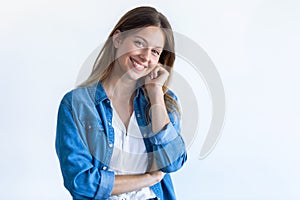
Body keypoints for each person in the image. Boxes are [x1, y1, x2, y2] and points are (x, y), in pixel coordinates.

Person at [55, 6, 187, 200]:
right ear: (118, 39)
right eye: (139, 42)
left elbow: (173, 162)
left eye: (155, 52)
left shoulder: (165, 102)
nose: (146, 56)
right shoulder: (77, 105)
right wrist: (149, 178)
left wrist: (155, 93)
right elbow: (80, 183)